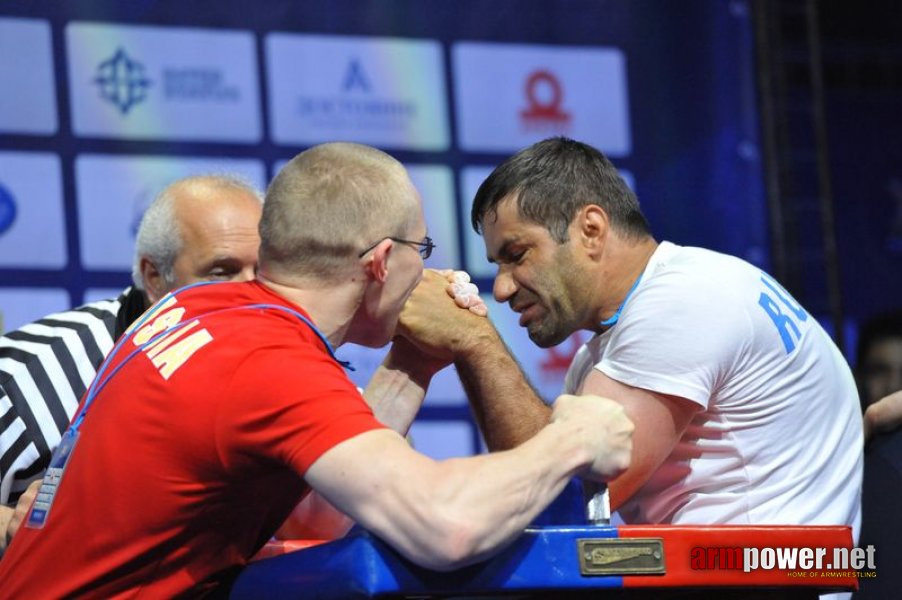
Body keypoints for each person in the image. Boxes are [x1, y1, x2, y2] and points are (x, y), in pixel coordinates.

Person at [0, 142, 634, 597]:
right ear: (383, 262)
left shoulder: (207, 310)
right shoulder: (269, 363)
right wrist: (571, 438)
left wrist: (412, 361)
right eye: (424, 251)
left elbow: (319, 511)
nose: (430, 269)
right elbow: (446, 525)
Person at [401, 137, 862, 532]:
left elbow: (556, 502)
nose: (500, 289)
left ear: (591, 230)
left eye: (517, 254)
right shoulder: (617, 340)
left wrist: (475, 341)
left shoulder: (683, 300)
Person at [0, 174, 263, 554]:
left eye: (263, 271)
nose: (250, 295)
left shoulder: (277, 361)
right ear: (155, 278)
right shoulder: (27, 377)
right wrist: (15, 523)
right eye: (221, 272)